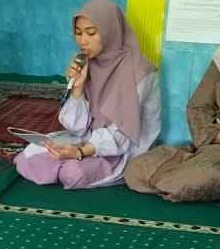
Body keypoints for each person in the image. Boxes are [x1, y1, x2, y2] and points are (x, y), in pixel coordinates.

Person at [14, 0, 161, 189]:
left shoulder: (139, 72)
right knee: (26, 157)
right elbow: (76, 128)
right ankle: (66, 164)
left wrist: (80, 152)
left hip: (124, 148)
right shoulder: (88, 63)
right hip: (88, 138)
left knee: (73, 174)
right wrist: (78, 88)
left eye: (91, 33)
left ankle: (69, 166)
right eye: (78, 33)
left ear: (111, 32)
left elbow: (123, 135)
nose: (82, 41)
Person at [125, 32, 220, 201]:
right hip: (218, 141)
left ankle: (190, 178)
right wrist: (215, 135)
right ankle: (194, 174)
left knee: (185, 182)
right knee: (137, 168)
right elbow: (199, 105)